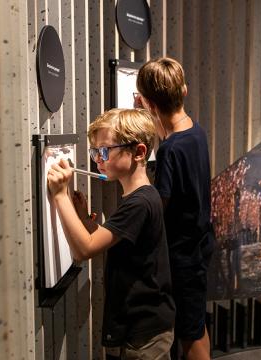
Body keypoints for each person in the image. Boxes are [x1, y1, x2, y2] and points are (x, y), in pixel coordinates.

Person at [47, 108, 175, 359]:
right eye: (95, 152)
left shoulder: (139, 203)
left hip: (146, 333)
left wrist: (60, 195)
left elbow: (85, 250)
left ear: (138, 152)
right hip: (144, 327)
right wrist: (84, 220)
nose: (98, 159)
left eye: (104, 151)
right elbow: (115, 240)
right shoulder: (140, 196)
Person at [135, 57, 214, 360]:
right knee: (196, 324)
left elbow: (160, 204)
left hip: (182, 256)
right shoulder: (197, 132)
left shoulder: (170, 149)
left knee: (188, 335)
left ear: (150, 104)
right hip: (200, 245)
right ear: (184, 91)